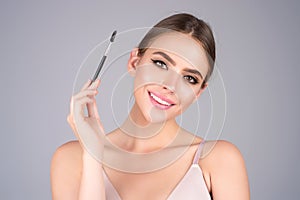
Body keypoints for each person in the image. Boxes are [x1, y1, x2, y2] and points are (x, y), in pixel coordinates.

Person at [50, 13, 250, 200]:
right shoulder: (71, 159)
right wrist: (93, 157)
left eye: (189, 78)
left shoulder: (219, 160)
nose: (170, 86)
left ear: (198, 92)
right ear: (134, 62)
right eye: (161, 64)